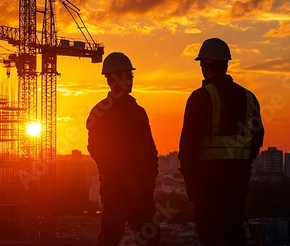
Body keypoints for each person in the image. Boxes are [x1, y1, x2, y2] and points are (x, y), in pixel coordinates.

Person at [178, 38, 264, 246]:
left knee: (212, 236)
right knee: (235, 234)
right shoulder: (249, 97)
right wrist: (242, 168)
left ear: (205, 65)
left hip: (208, 185)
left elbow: (187, 147)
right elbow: (256, 141)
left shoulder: (200, 98)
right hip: (238, 183)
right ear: (226, 65)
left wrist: (191, 183)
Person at [86, 52, 161, 246]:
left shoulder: (138, 112)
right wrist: (125, 178)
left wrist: (152, 175)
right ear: (115, 78)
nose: (131, 80)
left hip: (141, 191)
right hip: (116, 191)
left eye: (131, 76)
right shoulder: (101, 113)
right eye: (128, 75)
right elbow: (100, 153)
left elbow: (150, 148)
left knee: (151, 239)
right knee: (110, 238)